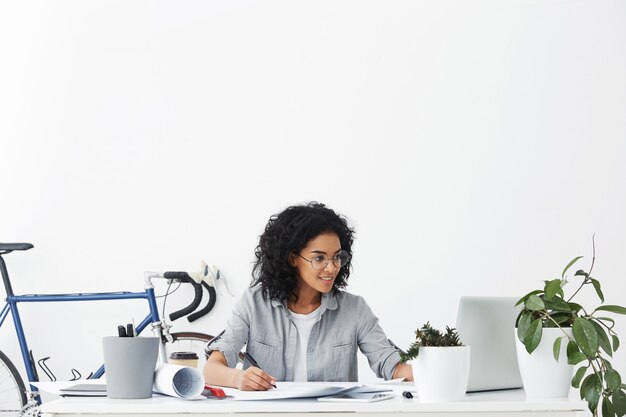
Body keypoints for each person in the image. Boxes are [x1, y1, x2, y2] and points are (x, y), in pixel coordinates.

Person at [203, 202, 413, 390]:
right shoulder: (254, 303)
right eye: (319, 258)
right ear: (292, 258)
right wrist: (238, 379)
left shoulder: (355, 310)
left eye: (337, 257)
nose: (331, 268)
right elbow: (211, 369)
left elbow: (391, 365)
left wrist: (434, 371)